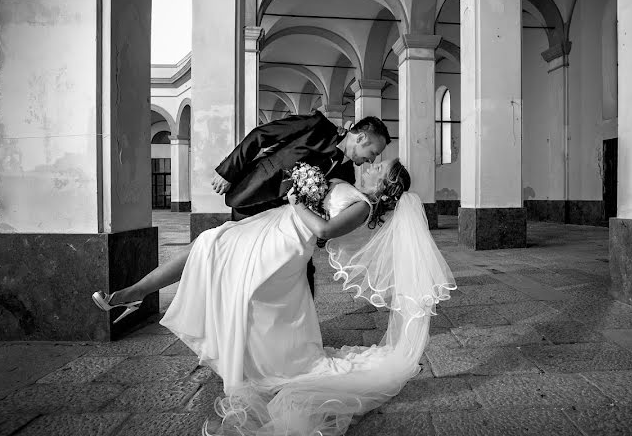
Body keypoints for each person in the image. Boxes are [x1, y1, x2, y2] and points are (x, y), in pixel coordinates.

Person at [167, 158, 454, 436]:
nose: (373, 164)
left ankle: (255, 357)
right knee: (235, 273)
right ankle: (252, 353)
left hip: (291, 239)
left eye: (380, 167)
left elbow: (324, 230)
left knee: (253, 293)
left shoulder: (363, 206)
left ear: (383, 184)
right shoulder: (355, 188)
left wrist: (297, 203)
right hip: (278, 226)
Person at [92, 112, 390, 321]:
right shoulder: (316, 125)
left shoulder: (346, 172)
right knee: (212, 248)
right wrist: (228, 170)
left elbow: (328, 211)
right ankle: (144, 294)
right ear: (361, 136)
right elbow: (263, 135)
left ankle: (290, 333)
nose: (372, 160)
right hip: (255, 199)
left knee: (294, 270)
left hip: (287, 223)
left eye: (376, 158)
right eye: (373, 151)